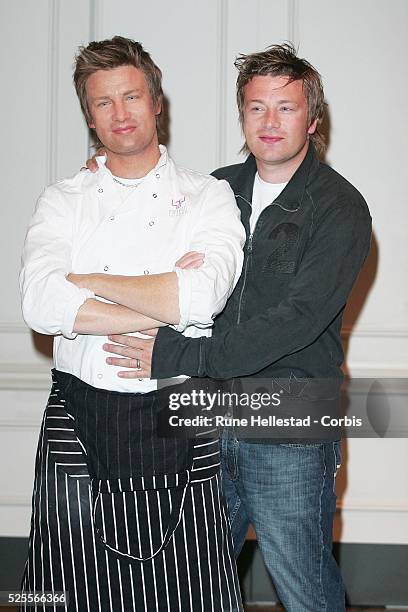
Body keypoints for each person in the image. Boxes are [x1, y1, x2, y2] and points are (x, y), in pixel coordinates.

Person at [96, 44, 372, 611]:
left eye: (286, 108)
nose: (269, 123)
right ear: (241, 115)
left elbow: (292, 323)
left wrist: (177, 355)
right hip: (203, 418)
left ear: (313, 120)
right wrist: (99, 174)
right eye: (255, 108)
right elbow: (132, 219)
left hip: (288, 423)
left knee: (304, 586)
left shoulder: (341, 207)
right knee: (186, 584)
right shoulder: (211, 190)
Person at [19, 36, 245, 611]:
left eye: (131, 96)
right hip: (79, 412)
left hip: (180, 415)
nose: (119, 114)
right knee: (67, 593)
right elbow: (42, 306)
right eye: (102, 103)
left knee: (189, 595)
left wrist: (86, 281)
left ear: (156, 101)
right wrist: (163, 304)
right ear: (88, 116)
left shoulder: (208, 195)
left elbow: (203, 298)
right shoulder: (61, 199)